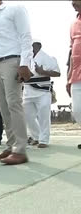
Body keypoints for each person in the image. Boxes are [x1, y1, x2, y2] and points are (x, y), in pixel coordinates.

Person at [0, 0, 34, 165]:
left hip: (12, 61)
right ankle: (10, 146)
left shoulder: (15, 9)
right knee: (3, 107)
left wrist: (25, 64)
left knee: (13, 104)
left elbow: (26, 37)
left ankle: (20, 150)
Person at [23, 40, 60, 149]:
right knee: (27, 116)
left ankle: (44, 140)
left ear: (39, 46)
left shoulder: (48, 58)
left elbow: (57, 73)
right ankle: (36, 136)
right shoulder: (25, 59)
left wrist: (43, 71)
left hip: (42, 91)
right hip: (27, 91)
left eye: (33, 46)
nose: (31, 48)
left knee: (44, 116)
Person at [67, 0, 81, 149]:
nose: (73, 2)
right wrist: (69, 76)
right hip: (77, 75)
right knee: (77, 111)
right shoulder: (73, 24)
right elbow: (71, 53)